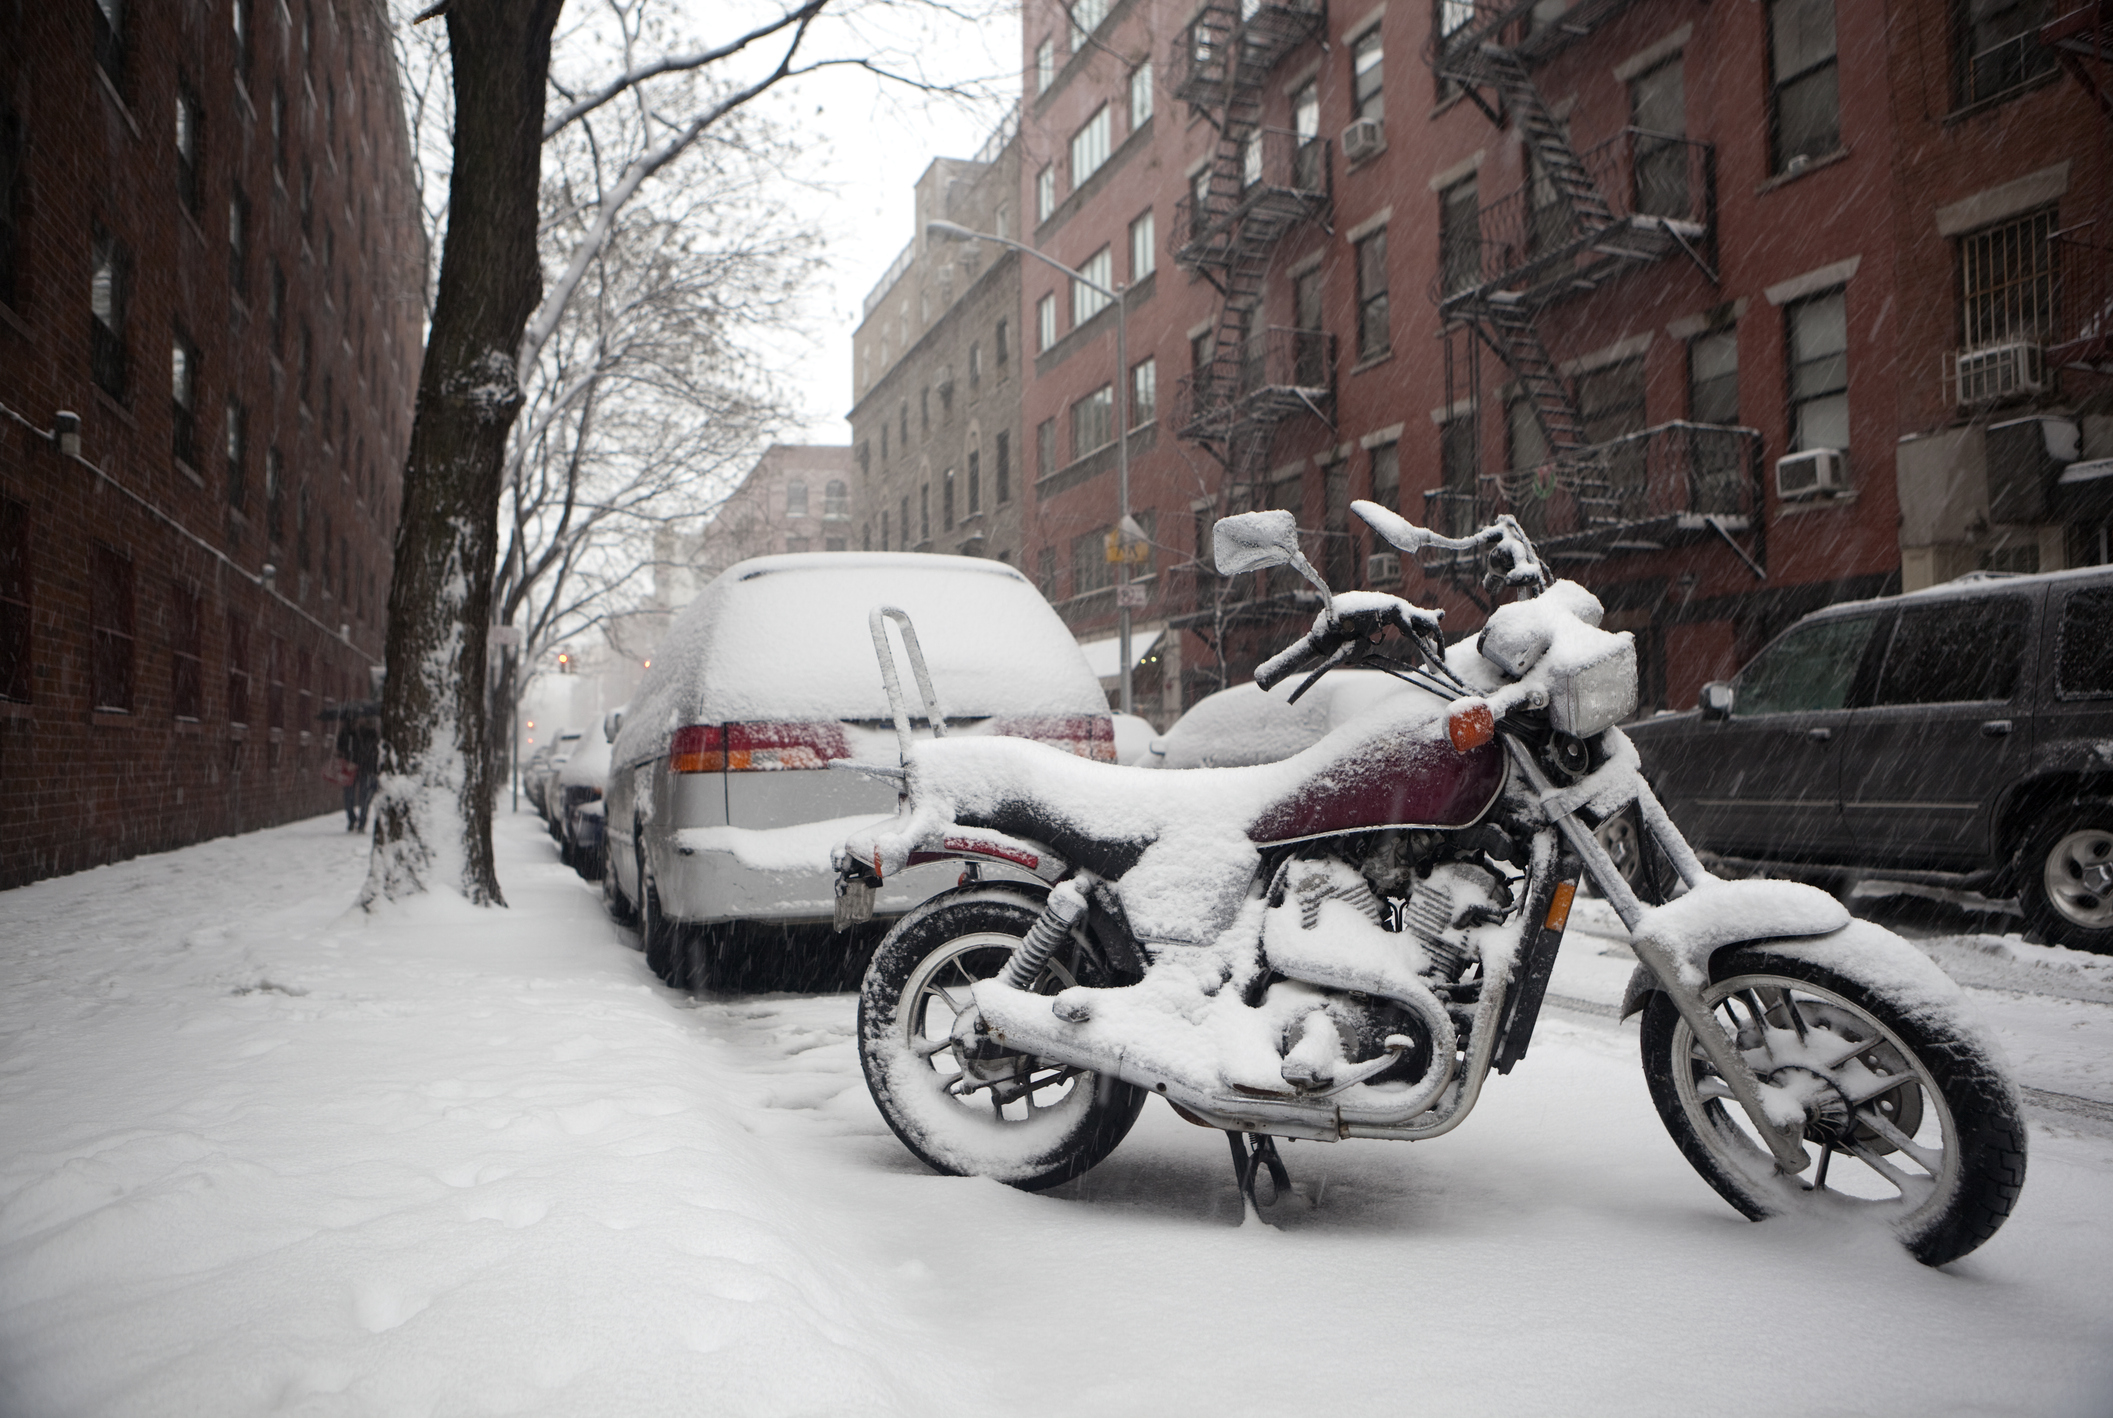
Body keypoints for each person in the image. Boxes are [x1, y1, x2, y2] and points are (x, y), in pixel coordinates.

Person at [337, 712, 382, 831]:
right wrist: (347, 760)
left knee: (364, 797)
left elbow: (373, 751)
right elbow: (339, 750)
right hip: (350, 769)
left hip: (366, 769)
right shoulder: (346, 734)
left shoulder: (370, 734)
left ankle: (362, 822)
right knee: (348, 797)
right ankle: (352, 819)